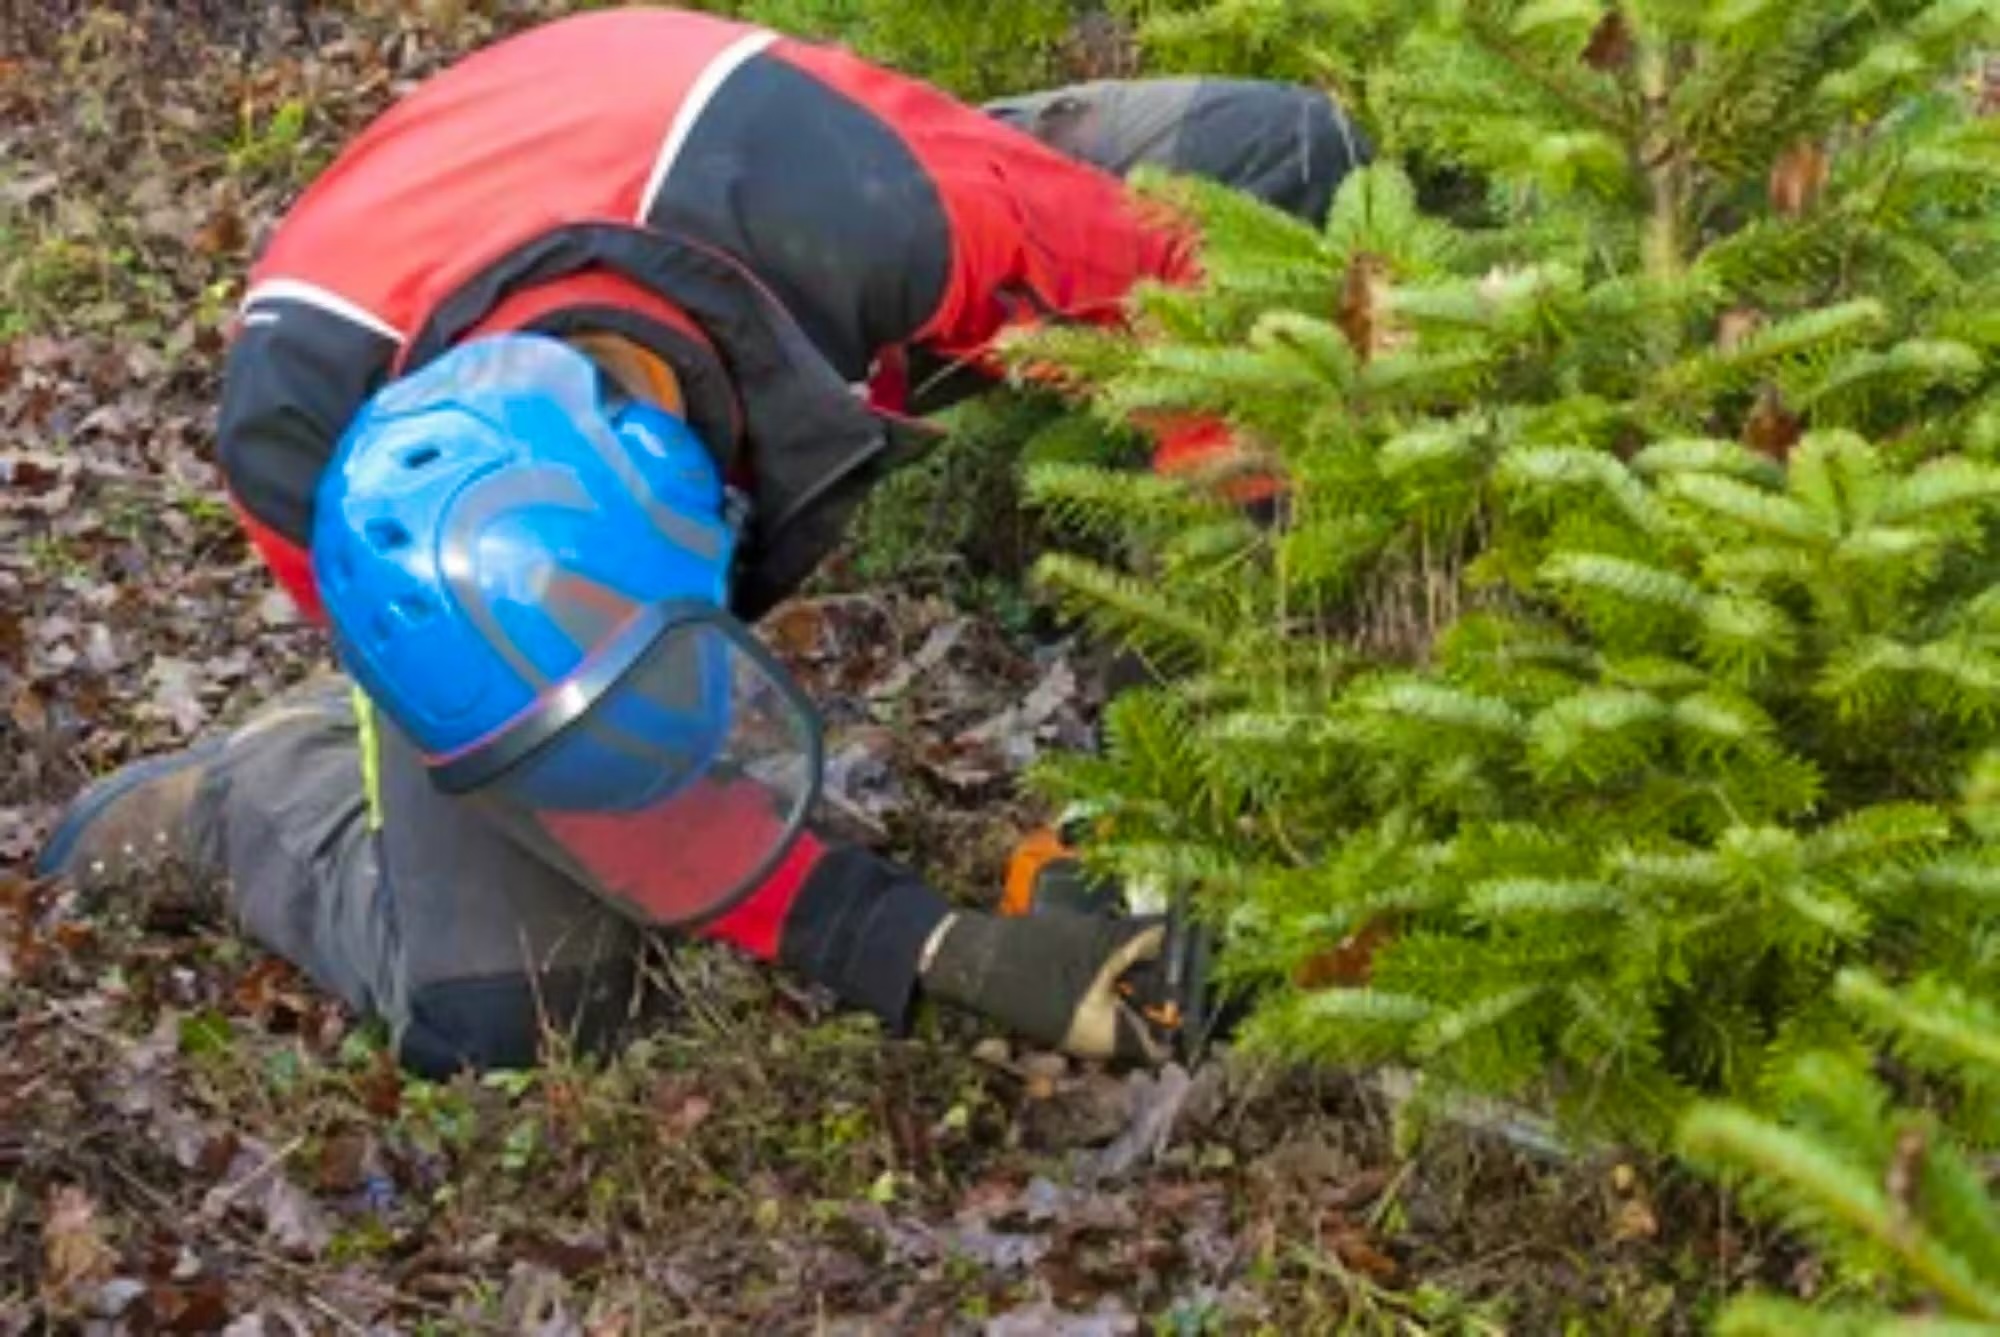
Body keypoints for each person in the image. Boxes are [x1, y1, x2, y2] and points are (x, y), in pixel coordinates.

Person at [34, 8, 1366, 1077]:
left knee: (1273, 180)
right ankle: (250, 792)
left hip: (744, 198)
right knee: (506, 1013)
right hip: (458, 369)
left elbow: (1201, 328)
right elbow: (613, 808)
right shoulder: (303, 457)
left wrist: (1202, 777)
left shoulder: (856, 204)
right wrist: (928, 947)